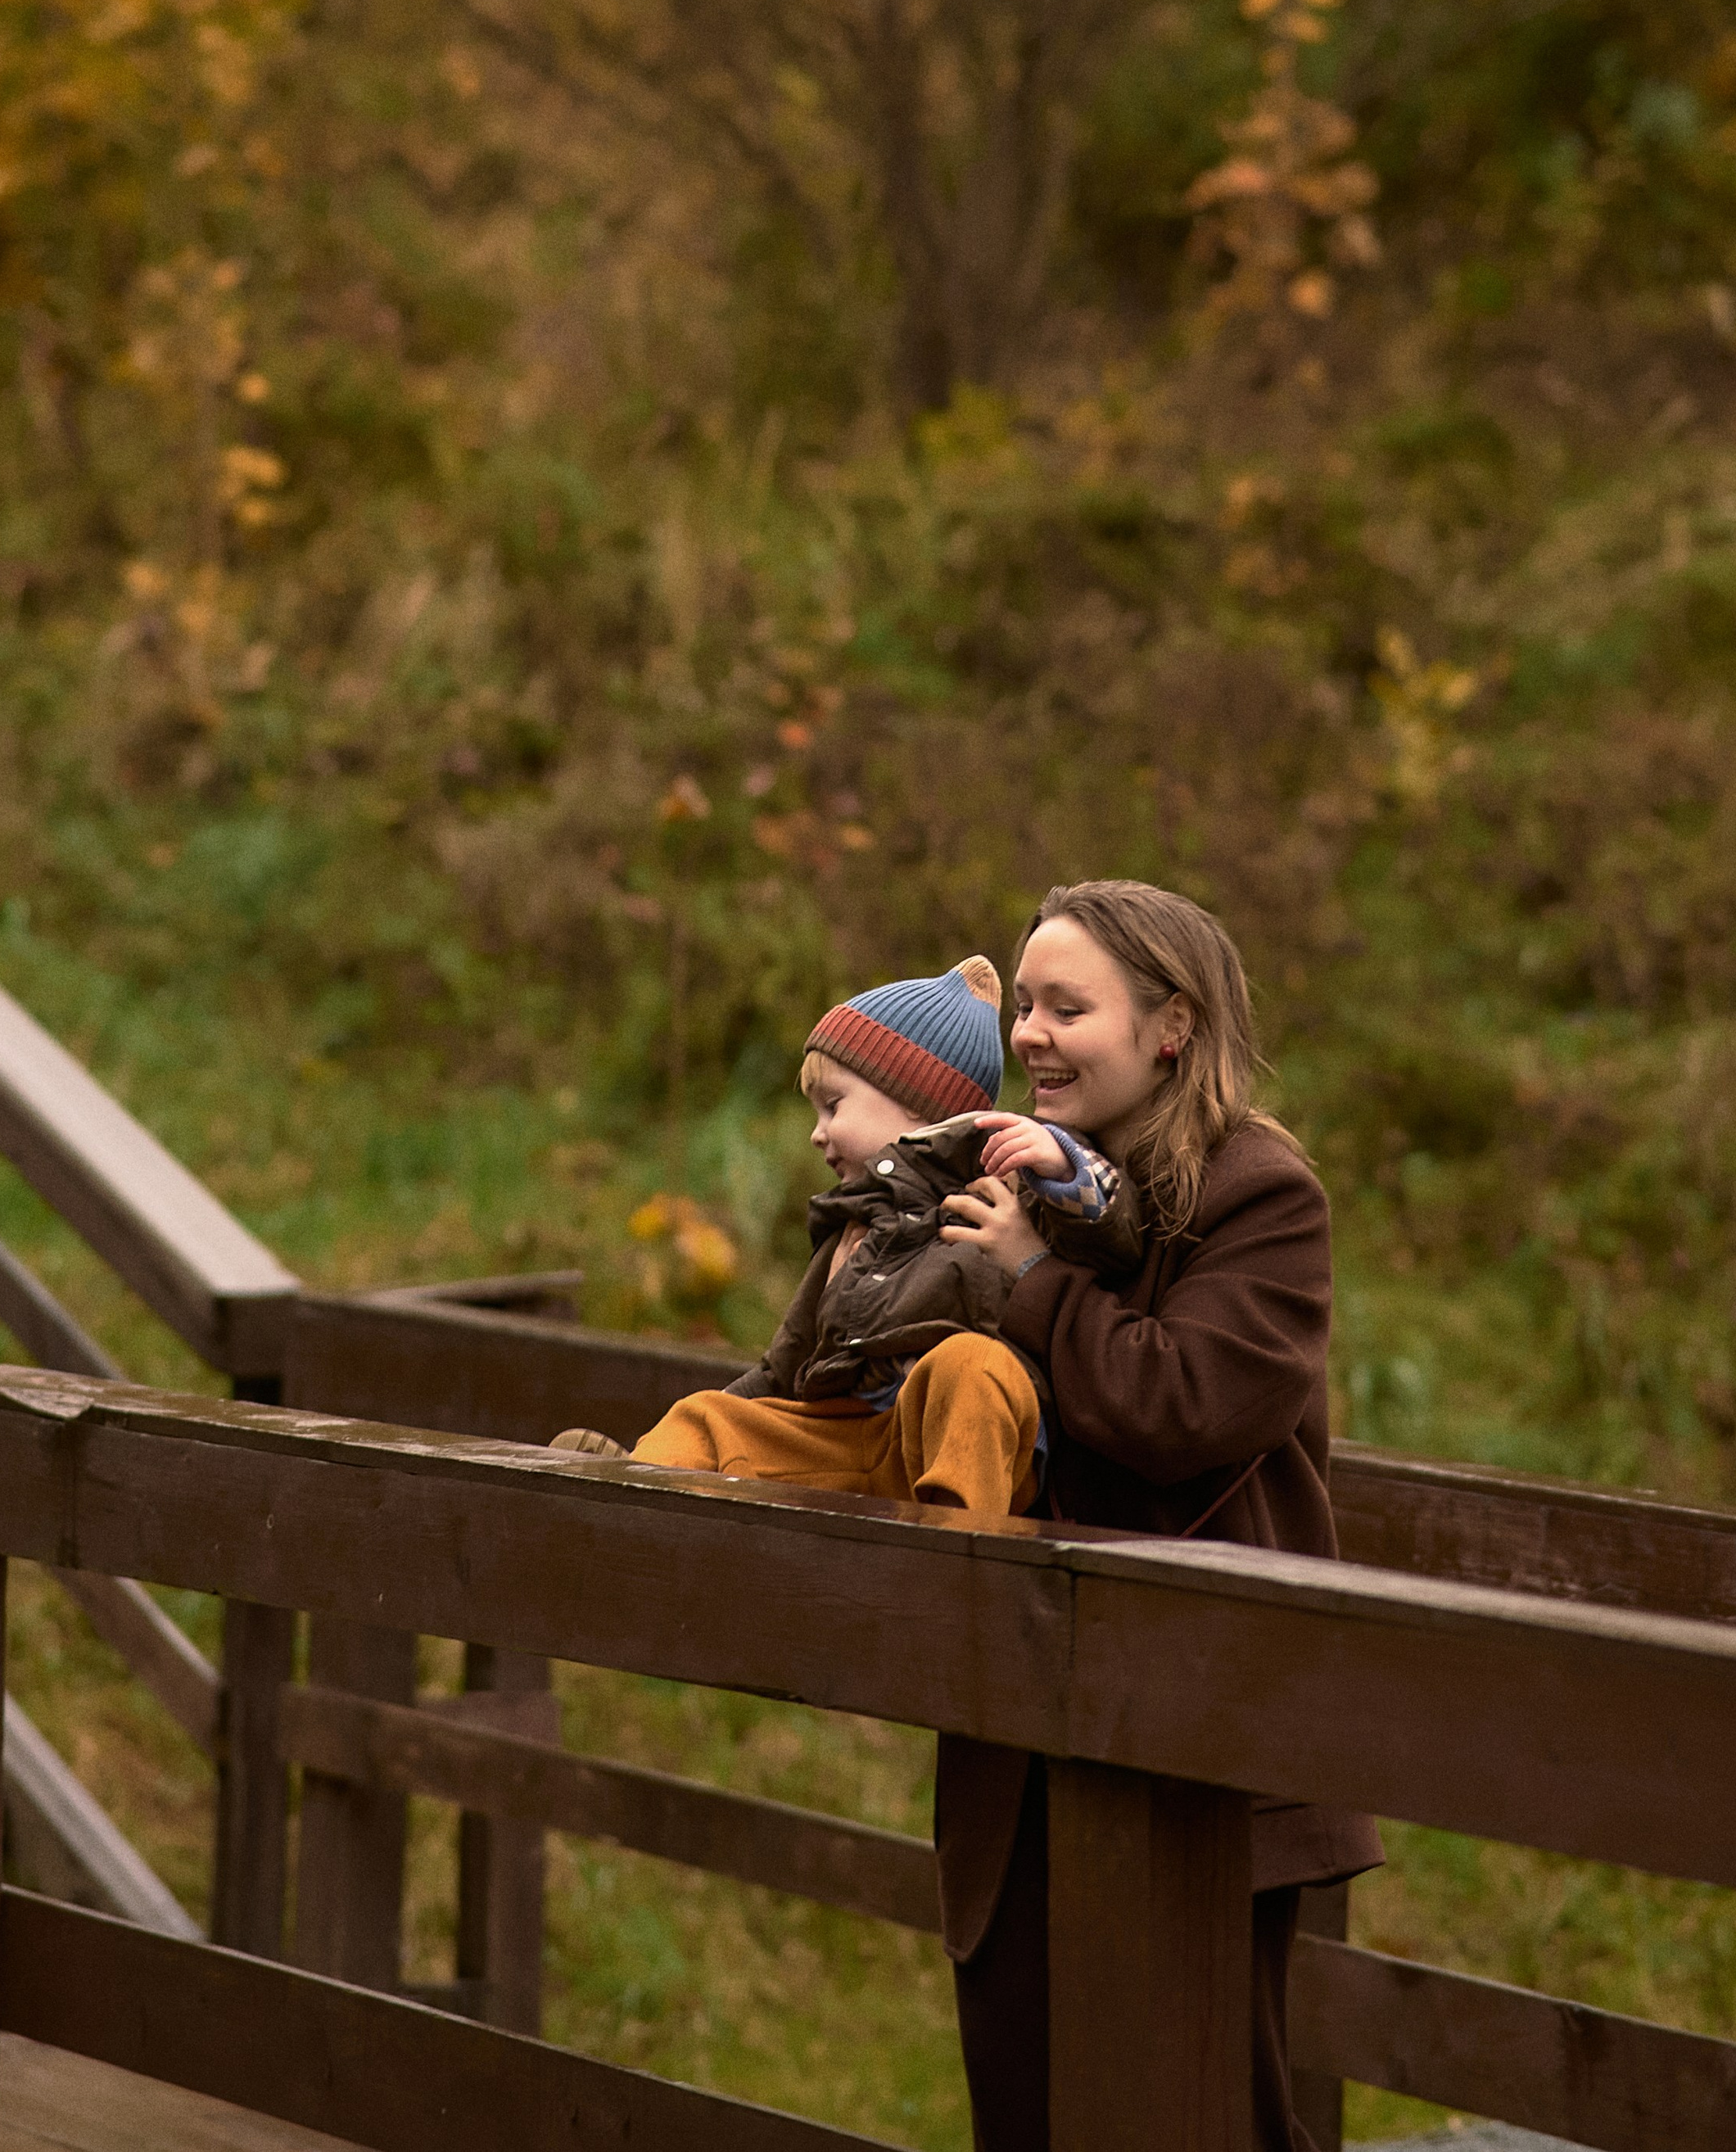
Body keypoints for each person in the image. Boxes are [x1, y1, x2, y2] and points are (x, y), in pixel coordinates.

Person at [931, 878, 1381, 2152]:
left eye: (1068, 1006)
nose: (1029, 1034)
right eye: (1025, 1004)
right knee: (1027, 2108)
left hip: (1202, 1732)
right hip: (1022, 1725)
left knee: (1205, 2116)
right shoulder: (1017, 1172)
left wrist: (1027, 1278)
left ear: (1171, 1024)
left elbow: (1180, 1408)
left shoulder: (1260, 1194)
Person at [554, 958, 1140, 1515]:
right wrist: (736, 1422)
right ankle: (635, 1487)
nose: (818, 1133)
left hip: (948, 1439)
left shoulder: (1000, 1182)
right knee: (710, 1414)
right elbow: (782, 1367)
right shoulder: (852, 1226)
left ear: (918, 1103)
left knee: (973, 1367)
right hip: (845, 1436)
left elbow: (1109, 1234)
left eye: (833, 1107)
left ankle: (962, 1551)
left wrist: (1065, 1169)